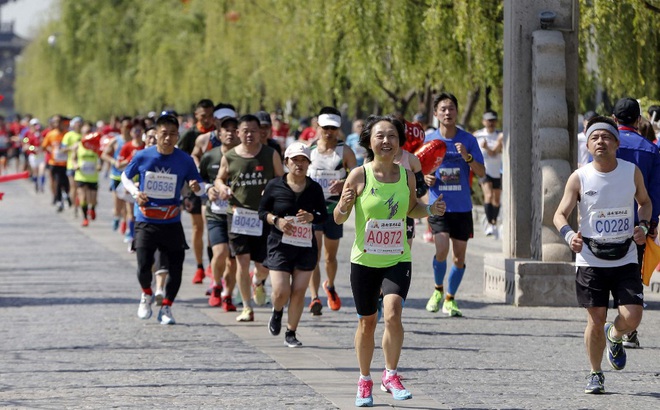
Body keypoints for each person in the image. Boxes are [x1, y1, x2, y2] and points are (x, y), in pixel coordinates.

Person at [334, 115, 445, 407]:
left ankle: (391, 373)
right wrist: (344, 206)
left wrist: (431, 208)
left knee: (393, 312)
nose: (387, 141)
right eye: (380, 136)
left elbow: (412, 210)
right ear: (369, 142)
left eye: (392, 136)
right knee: (367, 323)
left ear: (399, 142)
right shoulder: (359, 175)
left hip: (397, 257)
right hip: (364, 260)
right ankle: (364, 379)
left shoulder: (406, 174)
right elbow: (339, 216)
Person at [553, 115, 649, 394]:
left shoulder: (631, 172)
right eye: (595, 137)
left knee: (633, 316)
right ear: (589, 144)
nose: (600, 142)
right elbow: (559, 214)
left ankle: (615, 334)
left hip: (625, 254)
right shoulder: (580, 176)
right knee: (595, 318)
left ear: (617, 143)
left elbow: (644, 203)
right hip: (591, 257)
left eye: (606, 137)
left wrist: (642, 225)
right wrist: (569, 235)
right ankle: (595, 373)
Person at [121, 114, 206, 325]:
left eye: (172, 134)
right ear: (156, 134)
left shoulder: (184, 159)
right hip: (145, 220)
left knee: (176, 269)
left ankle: (167, 307)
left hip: (171, 222)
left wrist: (197, 187)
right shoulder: (143, 156)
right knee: (143, 266)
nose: (168, 139)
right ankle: (146, 293)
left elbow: (199, 184)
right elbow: (124, 176)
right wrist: (135, 192)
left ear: (178, 136)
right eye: (164, 134)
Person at [215, 114, 284, 322]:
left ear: (260, 132)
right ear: (238, 133)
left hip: (264, 217)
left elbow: (281, 180)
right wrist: (222, 188)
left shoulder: (270, 154)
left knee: (263, 266)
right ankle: (246, 307)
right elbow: (219, 178)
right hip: (238, 216)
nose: (249, 135)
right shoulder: (230, 156)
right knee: (242, 261)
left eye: (253, 130)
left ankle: (258, 280)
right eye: (245, 131)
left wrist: (271, 192)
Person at [259, 142, 327, 347]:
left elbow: (323, 215)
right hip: (279, 244)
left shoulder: (314, 188)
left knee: (298, 290)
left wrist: (311, 217)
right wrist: (276, 221)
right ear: (287, 162)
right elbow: (262, 212)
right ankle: (277, 310)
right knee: (281, 291)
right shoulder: (274, 185)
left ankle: (291, 332)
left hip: (305, 246)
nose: (299, 164)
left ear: (309, 163)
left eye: (303, 160)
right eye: (295, 160)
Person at [423, 92, 485, 317]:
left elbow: (482, 172)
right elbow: (415, 169)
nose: (447, 112)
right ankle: (437, 290)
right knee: (442, 250)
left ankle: (450, 298)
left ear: (457, 112)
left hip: (462, 208)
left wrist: (467, 157)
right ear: (436, 114)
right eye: (443, 109)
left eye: (451, 108)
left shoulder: (468, 140)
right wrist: (425, 177)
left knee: (459, 257)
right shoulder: (429, 140)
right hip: (438, 206)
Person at [609, 97, 660, 350]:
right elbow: (655, 191)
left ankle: (618, 326)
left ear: (614, 120)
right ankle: (628, 329)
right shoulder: (650, 149)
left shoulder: (605, 146)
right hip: (637, 225)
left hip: (604, 224)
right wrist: (652, 222)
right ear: (639, 120)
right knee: (632, 276)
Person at [306, 106, 357, 315]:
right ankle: (314, 297)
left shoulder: (345, 151)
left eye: (333, 128)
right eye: (325, 127)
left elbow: (358, 177)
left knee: (330, 257)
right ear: (318, 126)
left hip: (335, 209)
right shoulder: (308, 150)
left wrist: (344, 183)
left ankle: (330, 285)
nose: (329, 132)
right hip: (313, 209)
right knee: (314, 253)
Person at [200, 114, 240, 310]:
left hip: (239, 216)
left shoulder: (245, 156)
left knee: (233, 262)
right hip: (216, 213)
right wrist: (208, 189)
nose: (230, 133)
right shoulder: (210, 155)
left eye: (234, 130)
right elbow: (198, 181)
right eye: (226, 130)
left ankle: (228, 295)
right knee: (221, 252)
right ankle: (216, 285)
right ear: (219, 133)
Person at [178, 99, 216, 284]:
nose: (207, 120)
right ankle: (199, 266)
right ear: (196, 116)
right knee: (197, 227)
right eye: (203, 116)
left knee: (212, 226)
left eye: (210, 116)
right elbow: (180, 157)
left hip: (212, 186)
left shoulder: (218, 134)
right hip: (193, 186)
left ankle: (211, 264)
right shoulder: (189, 134)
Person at [474, 110, 504, 237]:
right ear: (483, 122)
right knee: (488, 195)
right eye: (488, 120)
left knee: (496, 200)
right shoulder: (478, 135)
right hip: (484, 171)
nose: (491, 123)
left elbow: (494, 152)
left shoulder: (500, 135)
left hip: (498, 171)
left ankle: (493, 222)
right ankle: (490, 224)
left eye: (493, 120)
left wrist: (486, 147)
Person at [101, 116, 132, 233]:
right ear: (121, 127)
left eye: (129, 127)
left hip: (129, 177)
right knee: (118, 205)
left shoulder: (134, 142)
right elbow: (104, 154)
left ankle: (127, 225)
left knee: (129, 205)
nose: (127, 129)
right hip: (116, 175)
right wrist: (114, 161)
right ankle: (117, 216)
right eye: (125, 127)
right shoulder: (116, 140)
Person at [72, 123, 99, 227]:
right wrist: (75, 165)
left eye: (89, 132)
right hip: (81, 175)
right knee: (82, 198)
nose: (87, 135)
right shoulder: (78, 145)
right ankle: (84, 218)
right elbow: (73, 158)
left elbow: (99, 158)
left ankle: (92, 209)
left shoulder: (95, 145)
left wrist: (99, 166)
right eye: (85, 133)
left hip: (92, 176)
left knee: (93, 200)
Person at [41, 115, 70, 212]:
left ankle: (66, 194)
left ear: (62, 123)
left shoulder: (67, 134)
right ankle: (58, 200)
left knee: (66, 182)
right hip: (54, 162)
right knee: (57, 181)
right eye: (55, 122)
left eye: (58, 122)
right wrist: (52, 149)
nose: (57, 124)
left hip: (66, 163)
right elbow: (44, 146)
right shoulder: (51, 134)